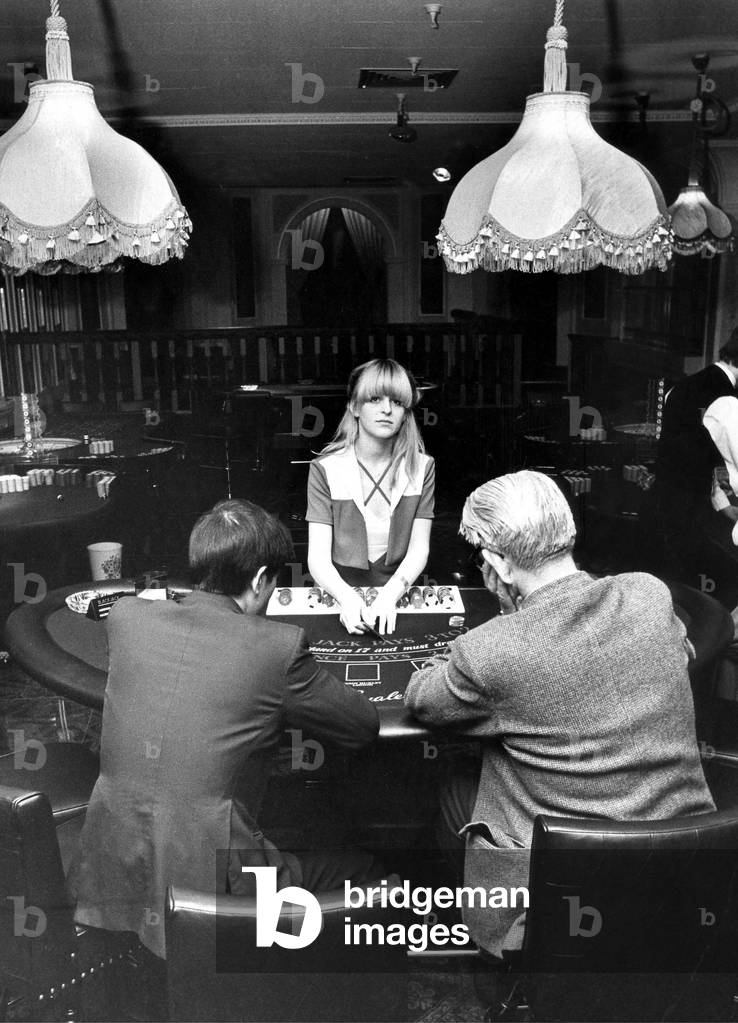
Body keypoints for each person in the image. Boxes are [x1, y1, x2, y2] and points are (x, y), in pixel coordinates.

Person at [404, 470, 715, 959]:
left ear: (498, 564)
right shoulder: (648, 594)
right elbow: (681, 651)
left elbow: (423, 697)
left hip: (556, 894)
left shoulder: (490, 652)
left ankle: (492, 957)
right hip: (686, 869)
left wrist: (502, 629)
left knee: (451, 790)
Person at [69, 499, 380, 960]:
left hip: (114, 863)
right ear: (259, 580)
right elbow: (361, 727)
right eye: (273, 583)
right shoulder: (279, 646)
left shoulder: (127, 618)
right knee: (367, 867)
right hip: (216, 882)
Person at [307, 358, 435, 635]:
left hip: (398, 592)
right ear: (354, 406)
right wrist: (348, 598)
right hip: (339, 594)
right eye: (375, 399)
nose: (387, 409)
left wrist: (388, 596)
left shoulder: (423, 467)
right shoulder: (324, 469)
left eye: (397, 402)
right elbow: (317, 558)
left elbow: (419, 549)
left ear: (406, 412)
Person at [654, 327, 738, 600]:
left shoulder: (685, 386)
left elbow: (696, 457)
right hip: (693, 512)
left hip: (668, 504)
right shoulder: (726, 399)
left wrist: (723, 505)